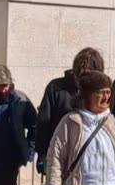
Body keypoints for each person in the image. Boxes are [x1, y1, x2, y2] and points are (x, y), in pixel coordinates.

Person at [45, 70, 115, 185]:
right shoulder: (70, 122)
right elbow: (55, 160)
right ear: (87, 95)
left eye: (109, 92)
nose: (106, 97)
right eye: (101, 92)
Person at [35, 47, 105, 175]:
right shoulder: (56, 88)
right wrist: (42, 154)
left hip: (94, 160)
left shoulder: (103, 92)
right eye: (81, 72)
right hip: (62, 158)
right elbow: (43, 123)